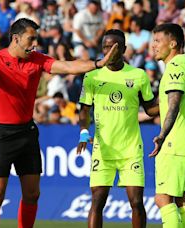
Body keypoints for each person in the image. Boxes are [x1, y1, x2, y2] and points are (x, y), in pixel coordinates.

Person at [0, 18, 117, 228]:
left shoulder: (37, 59)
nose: (35, 44)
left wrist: (98, 63)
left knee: (32, 194)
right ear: (16, 38)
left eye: (36, 39)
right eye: (31, 39)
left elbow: (68, 66)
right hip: (1, 134)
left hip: (27, 132)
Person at [77, 29, 158, 228]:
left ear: (123, 49)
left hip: (130, 149)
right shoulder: (93, 76)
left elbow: (150, 109)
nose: (109, 51)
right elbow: (84, 110)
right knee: (97, 201)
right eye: (105, 47)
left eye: (113, 47)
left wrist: (171, 100)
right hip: (103, 151)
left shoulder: (138, 75)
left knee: (137, 202)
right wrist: (84, 132)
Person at [150, 23, 185, 228]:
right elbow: (166, 105)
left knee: (163, 199)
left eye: (157, 41)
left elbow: (174, 103)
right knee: (184, 200)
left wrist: (162, 135)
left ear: (173, 43)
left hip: (175, 143)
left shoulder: (175, 66)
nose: (153, 46)